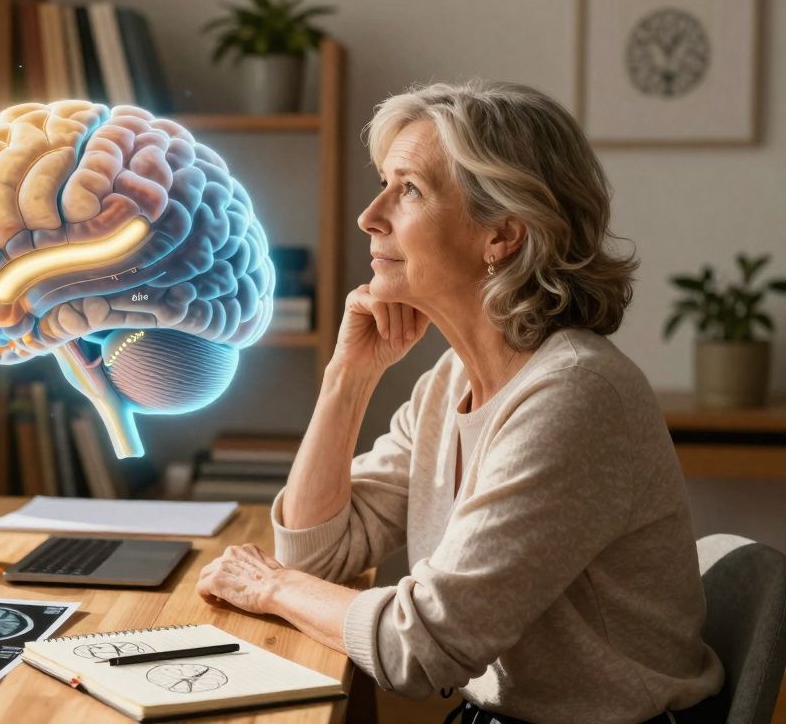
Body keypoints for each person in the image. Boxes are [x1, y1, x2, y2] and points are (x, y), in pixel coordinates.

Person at [194, 80, 724, 723]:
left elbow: (418, 650)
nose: (370, 215)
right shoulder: (450, 380)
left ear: (501, 233)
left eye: (409, 188)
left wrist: (273, 587)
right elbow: (317, 555)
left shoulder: (576, 396)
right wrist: (348, 378)